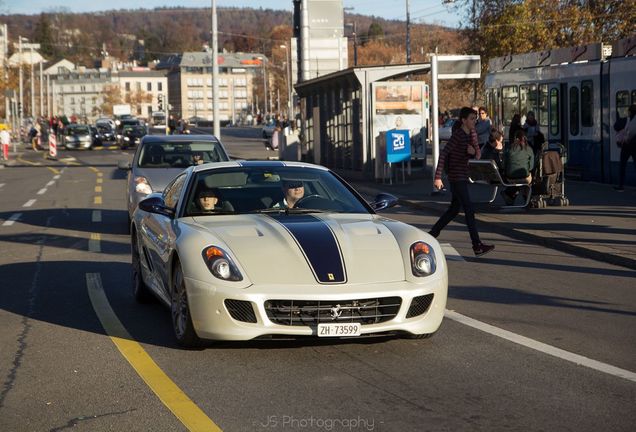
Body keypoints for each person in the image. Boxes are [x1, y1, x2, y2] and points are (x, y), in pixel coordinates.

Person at [429, 106, 495, 257]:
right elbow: (444, 154)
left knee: (453, 210)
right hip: (456, 176)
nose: (474, 121)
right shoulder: (458, 135)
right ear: (464, 121)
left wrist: (473, 151)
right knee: (469, 209)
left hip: (463, 176)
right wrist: (438, 177)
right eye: (471, 119)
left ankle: (432, 234)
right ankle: (477, 245)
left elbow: (478, 154)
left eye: (475, 119)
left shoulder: (472, 133)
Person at [502, 129, 535, 205]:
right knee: (526, 178)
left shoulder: (509, 148)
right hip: (525, 177)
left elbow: (504, 164)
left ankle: (510, 194)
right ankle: (527, 198)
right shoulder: (529, 149)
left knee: (517, 179)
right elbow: (531, 167)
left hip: (510, 177)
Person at [615, 104, 636, 191]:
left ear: (630, 112)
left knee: (622, 166)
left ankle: (621, 186)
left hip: (626, 146)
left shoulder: (626, 120)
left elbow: (616, 126)